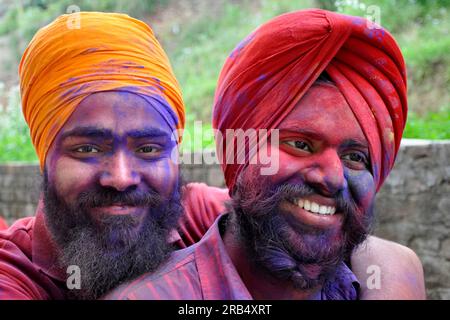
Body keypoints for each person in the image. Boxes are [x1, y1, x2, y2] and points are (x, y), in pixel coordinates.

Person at [0, 11, 424, 301]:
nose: (122, 177)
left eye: (149, 149)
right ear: (45, 156)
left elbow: (320, 223)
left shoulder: (186, 212)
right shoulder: (12, 274)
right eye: (88, 148)